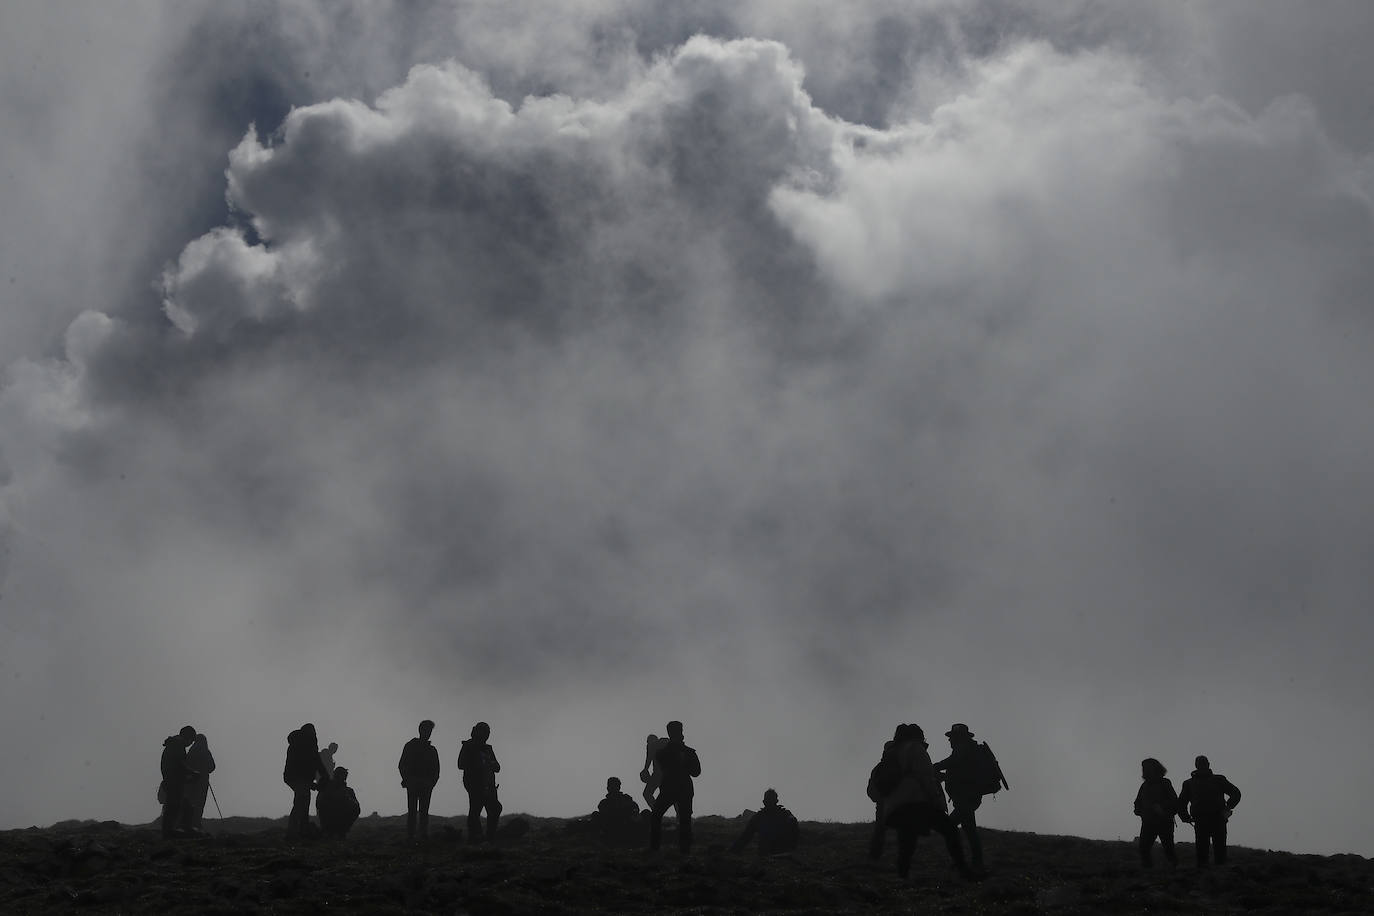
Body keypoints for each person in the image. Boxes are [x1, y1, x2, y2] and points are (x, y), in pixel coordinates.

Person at [872, 723, 972, 880]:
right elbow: (926, 776)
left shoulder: (892, 752)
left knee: (907, 841)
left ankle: (902, 878)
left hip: (895, 807)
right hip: (916, 802)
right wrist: (936, 799)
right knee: (950, 830)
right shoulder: (915, 749)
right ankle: (964, 870)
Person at [933, 723, 987, 873]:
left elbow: (954, 765)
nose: (949, 740)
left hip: (966, 798)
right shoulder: (966, 750)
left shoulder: (963, 749)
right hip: (968, 798)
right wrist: (945, 776)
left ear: (958, 738)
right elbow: (958, 773)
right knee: (969, 830)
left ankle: (963, 863)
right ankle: (975, 863)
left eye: (952, 737)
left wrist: (936, 767)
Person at [1177, 755, 1241, 867]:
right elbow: (1181, 803)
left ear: (1208, 764)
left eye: (1203, 763)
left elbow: (1236, 793)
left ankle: (1217, 873)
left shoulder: (1218, 779)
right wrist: (1185, 817)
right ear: (1197, 765)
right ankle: (1206, 873)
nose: (1202, 765)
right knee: (1203, 850)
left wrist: (1228, 807)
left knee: (1218, 849)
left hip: (1218, 818)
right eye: (1200, 763)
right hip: (1202, 819)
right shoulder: (1189, 783)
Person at [648, 720, 701, 854]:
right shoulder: (681, 752)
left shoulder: (673, 752)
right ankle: (679, 850)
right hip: (676, 788)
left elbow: (696, 772)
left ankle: (676, 849)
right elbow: (695, 772)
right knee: (682, 819)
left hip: (674, 788)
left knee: (681, 819)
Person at [458, 722, 502, 843]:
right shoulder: (468, 746)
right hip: (475, 784)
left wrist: (490, 764)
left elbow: (497, 767)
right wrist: (478, 765)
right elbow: (460, 764)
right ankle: (476, 837)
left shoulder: (488, 748)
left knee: (493, 809)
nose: (486, 735)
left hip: (489, 784)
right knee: (476, 811)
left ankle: (488, 837)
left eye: (487, 733)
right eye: (484, 732)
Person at [283, 723, 330, 838]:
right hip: (297, 779)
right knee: (301, 802)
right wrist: (317, 781)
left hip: (297, 779)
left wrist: (322, 778)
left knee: (303, 802)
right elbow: (311, 764)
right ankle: (293, 832)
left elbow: (317, 763)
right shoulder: (303, 745)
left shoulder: (304, 744)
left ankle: (301, 830)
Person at [398, 720, 441, 842]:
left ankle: (421, 835)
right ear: (421, 730)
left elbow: (436, 769)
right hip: (414, 783)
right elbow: (402, 765)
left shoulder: (431, 750)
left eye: (430, 731)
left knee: (423, 811)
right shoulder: (410, 746)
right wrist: (407, 779)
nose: (428, 733)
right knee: (413, 811)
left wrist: (431, 783)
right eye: (427, 730)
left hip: (425, 784)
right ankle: (412, 835)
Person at [1134, 757, 1179, 868]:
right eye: (1143, 768)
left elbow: (1174, 801)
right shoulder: (1144, 786)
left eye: (1146, 768)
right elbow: (1137, 802)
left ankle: (1173, 868)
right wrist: (1140, 811)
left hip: (1164, 821)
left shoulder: (1165, 783)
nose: (1144, 770)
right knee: (1144, 848)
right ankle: (1148, 870)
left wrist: (1162, 808)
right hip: (1148, 822)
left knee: (1168, 848)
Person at [730, 788, 800, 855]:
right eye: (768, 800)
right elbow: (745, 837)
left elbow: (745, 837)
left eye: (770, 799)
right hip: (768, 854)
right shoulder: (759, 817)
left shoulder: (785, 816)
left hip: (780, 854)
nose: (769, 802)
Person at [159, 726, 196, 839]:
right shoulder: (178, 745)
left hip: (171, 780)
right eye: (191, 740)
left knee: (180, 806)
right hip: (174, 782)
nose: (190, 744)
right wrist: (193, 773)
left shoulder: (173, 744)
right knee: (174, 806)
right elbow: (180, 765)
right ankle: (169, 832)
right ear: (187, 737)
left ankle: (173, 830)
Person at [181, 731, 217, 834]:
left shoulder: (191, 751)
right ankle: (196, 823)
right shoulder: (206, 751)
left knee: (190, 801)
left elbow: (185, 764)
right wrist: (204, 770)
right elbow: (212, 767)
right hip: (203, 781)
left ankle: (188, 823)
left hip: (190, 781)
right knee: (200, 802)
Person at [590, 777, 641, 845]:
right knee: (595, 815)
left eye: (613, 785)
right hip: (612, 831)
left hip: (625, 829)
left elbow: (636, 810)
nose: (610, 788)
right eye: (610, 785)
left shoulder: (626, 799)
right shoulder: (604, 803)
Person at [317, 766, 362, 838]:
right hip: (329, 819)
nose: (344, 778)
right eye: (343, 775)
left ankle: (340, 831)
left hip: (338, 818)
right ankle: (332, 830)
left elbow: (356, 807)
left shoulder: (348, 791)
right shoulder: (327, 788)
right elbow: (320, 805)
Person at [640, 733, 669, 808]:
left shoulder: (651, 745)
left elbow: (649, 758)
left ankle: (657, 811)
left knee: (647, 794)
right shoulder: (667, 743)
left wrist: (645, 770)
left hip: (658, 775)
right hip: (670, 774)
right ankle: (679, 816)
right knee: (673, 796)